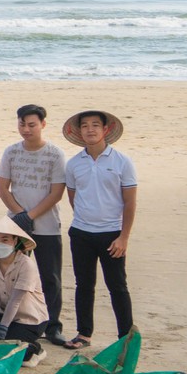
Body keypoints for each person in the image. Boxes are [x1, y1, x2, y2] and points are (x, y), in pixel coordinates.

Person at [0, 103, 71, 348]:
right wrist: (20, 215)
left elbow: (56, 192)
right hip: (15, 226)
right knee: (12, 276)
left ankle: (52, 326)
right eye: (22, 124)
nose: (26, 129)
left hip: (47, 226)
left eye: (31, 125)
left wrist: (31, 216)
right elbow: (2, 187)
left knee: (50, 277)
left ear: (43, 125)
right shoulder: (11, 152)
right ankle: (15, 322)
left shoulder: (55, 154)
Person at [63, 108, 137, 350]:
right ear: (79, 132)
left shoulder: (122, 161)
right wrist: (86, 220)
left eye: (95, 125)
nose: (90, 129)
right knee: (83, 285)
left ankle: (125, 337)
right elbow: (73, 197)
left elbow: (130, 201)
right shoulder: (74, 164)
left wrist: (123, 237)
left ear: (106, 130)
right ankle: (84, 334)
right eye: (85, 126)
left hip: (112, 234)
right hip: (81, 233)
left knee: (117, 286)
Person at [0, 216, 46, 360]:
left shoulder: (26, 264)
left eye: (5, 239)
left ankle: (35, 349)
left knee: (11, 352)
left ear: (15, 241)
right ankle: (2, 337)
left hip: (29, 319)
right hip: (4, 313)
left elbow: (15, 300)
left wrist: (3, 327)